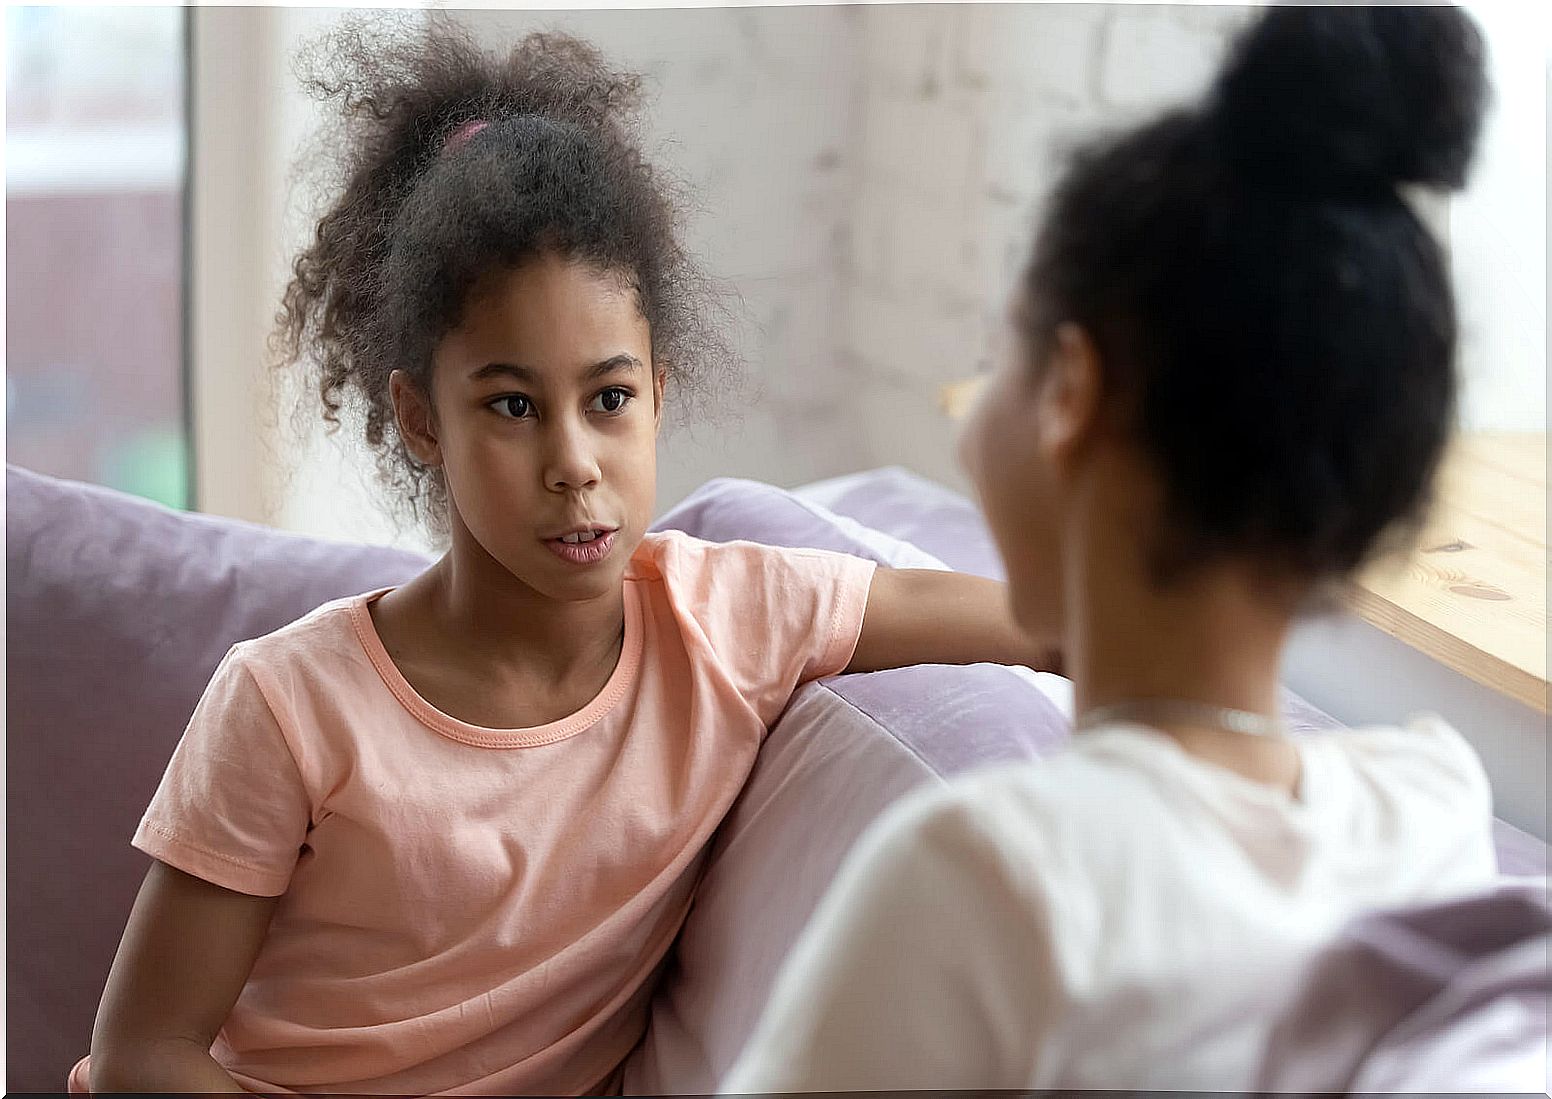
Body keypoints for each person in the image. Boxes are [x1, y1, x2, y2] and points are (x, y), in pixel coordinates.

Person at [78, 16, 1057, 1094]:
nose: (573, 462)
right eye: (510, 404)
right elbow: (141, 1055)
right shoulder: (284, 707)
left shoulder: (723, 624)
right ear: (419, 418)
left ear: (658, 395)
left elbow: (1039, 621)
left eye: (609, 399)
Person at [721, 5, 1500, 1092]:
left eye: (1001, 354)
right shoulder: (1430, 808)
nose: (966, 420)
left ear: (1070, 394)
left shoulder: (989, 881)